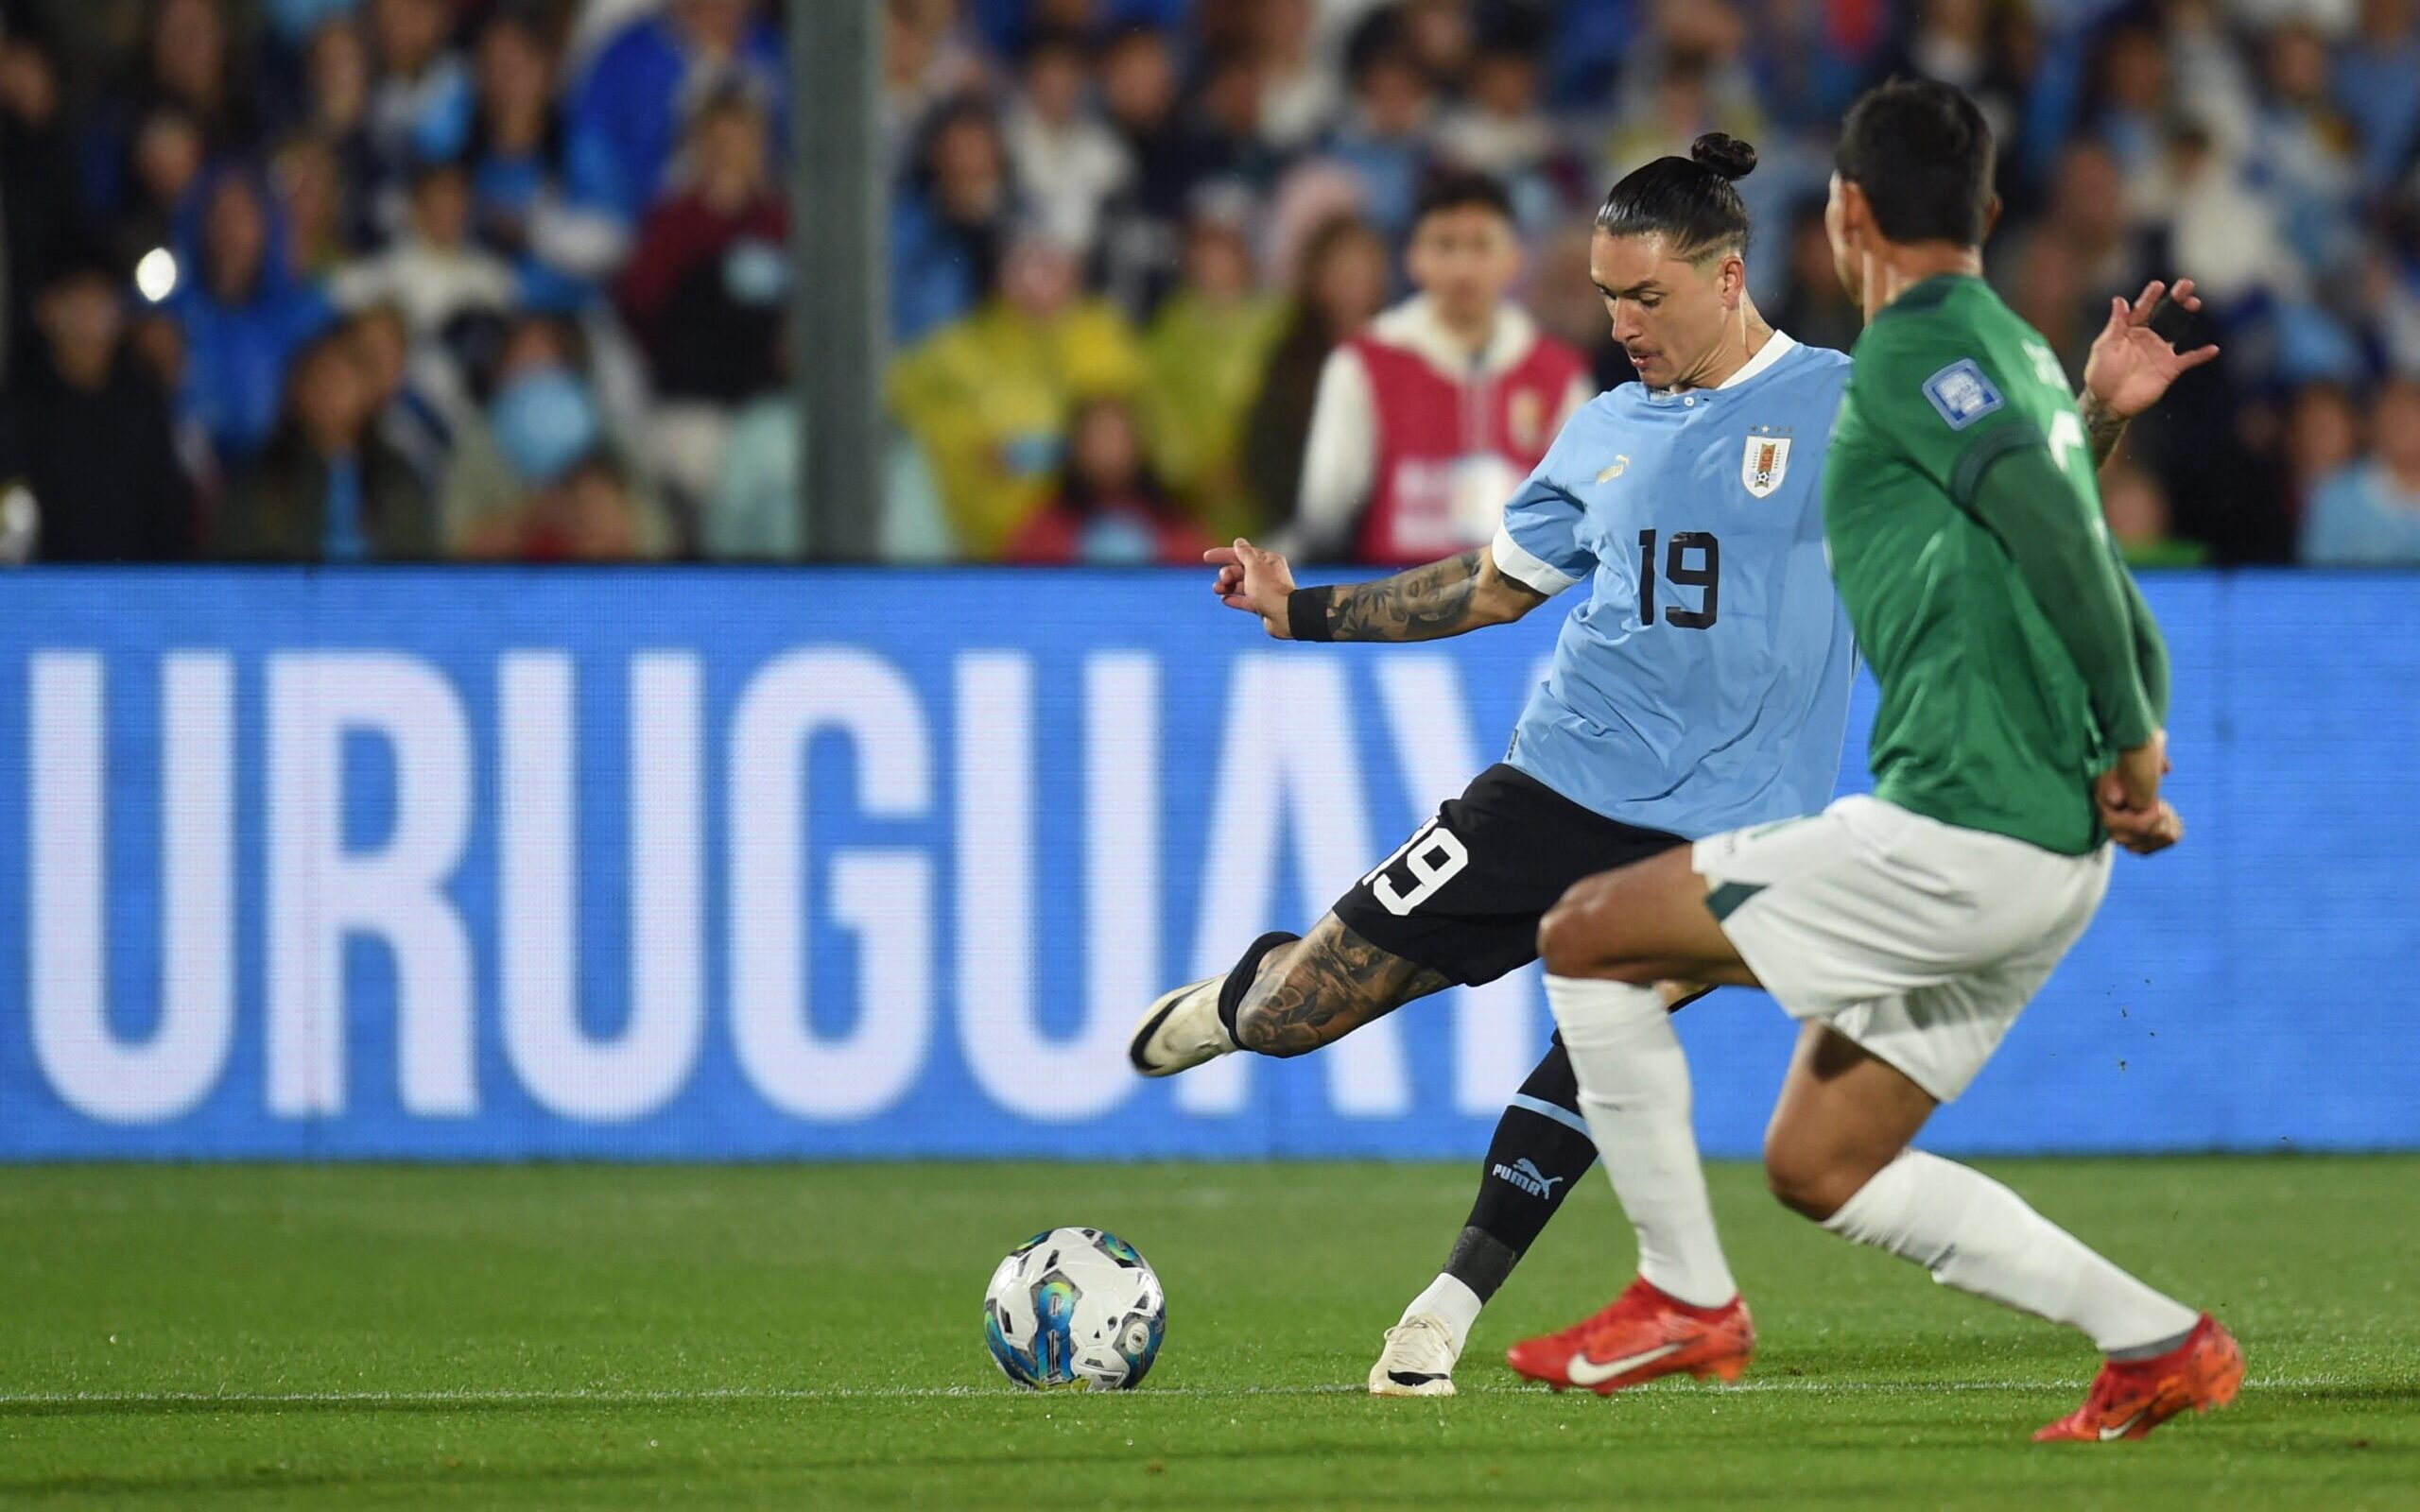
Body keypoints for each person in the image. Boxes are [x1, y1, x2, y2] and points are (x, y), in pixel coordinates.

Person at [1130, 129, 2209, 1403]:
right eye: (1606, 297)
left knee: (1597, 1035)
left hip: (1737, 827)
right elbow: (1487, 590)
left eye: (1648, 296)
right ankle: (1246, 989)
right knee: (1296, 1019)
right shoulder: (1604, 432)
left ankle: (1445, 1311)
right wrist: (1302, 609)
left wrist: (2094, 410)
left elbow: (2020, 507)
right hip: (1556, 787)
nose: (1625, 323)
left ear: (1730, 274)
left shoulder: (1846, 400)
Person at [1503, 79, 2242, 1444]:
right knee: (1821, 1160)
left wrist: (2133, 739)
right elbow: (2043, 527)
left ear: (1843, 213)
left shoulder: (1908, 355)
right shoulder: (2002, 347)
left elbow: (2069, 546)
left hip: (1964, 828)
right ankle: (2159, 1343)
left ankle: (1683, 1298)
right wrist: (2120, 736)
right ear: (1994, 212)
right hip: (2043, 840)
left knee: (1589, 932)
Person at [1283, 171, 1589, 566]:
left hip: (1521, 609)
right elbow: (1325, 513)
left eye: (1480, 246)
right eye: (1445, 245)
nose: (1463, 267)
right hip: (1392, 601)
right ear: (1414, 257)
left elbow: (1580, 516)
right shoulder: (1362, 363)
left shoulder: (1559, 373)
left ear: (1514, 258)